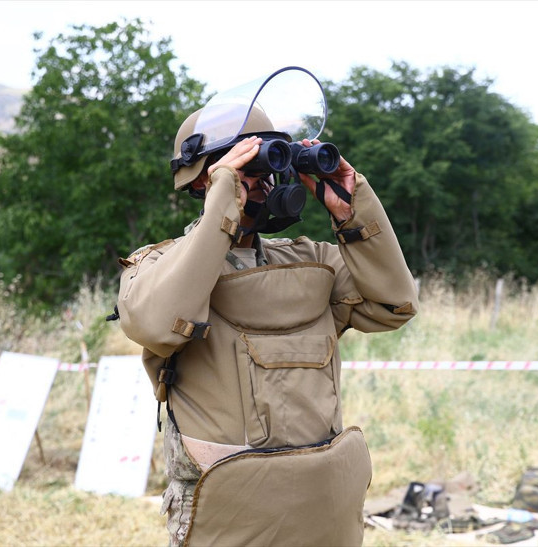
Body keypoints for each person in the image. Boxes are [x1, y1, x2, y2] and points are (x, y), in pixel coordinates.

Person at [116, 104, 419, 546]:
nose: (264, 183)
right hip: (231, 517)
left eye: (270, 166)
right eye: (250, 166)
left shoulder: (310, 260)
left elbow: (394, 304)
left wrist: (355, 214)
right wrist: (224, 208)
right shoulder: (156, 268)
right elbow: (160, 325)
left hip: (324, 511)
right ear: (204, 179)